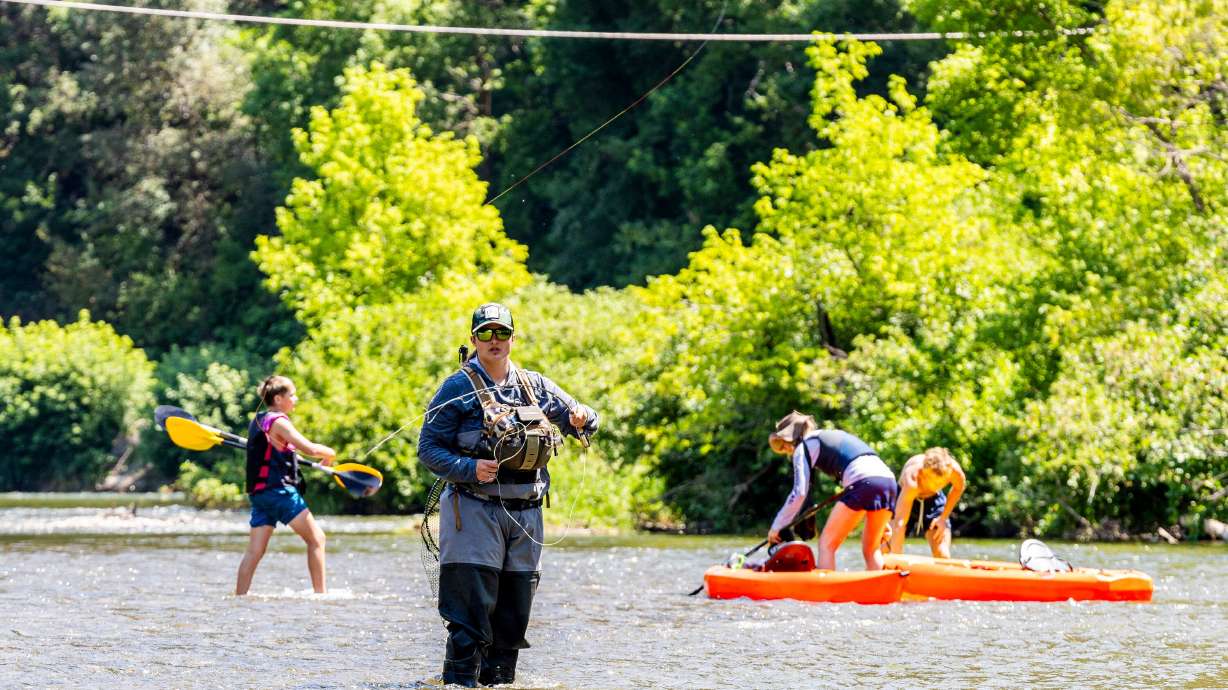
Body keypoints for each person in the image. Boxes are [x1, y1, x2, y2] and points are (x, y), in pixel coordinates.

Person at [418, 302, 598, 687]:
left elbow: (582, 420)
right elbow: (428, 449)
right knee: (469, 616)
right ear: (473, 340)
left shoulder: (537, 386)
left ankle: (499, 682)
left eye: (502, 333)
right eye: (486, 333)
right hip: (472, 509)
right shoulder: (456, 388)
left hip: (528, 514)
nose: (494, 340)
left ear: (513, 338)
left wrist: (585, 416)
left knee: (513, 617)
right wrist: (470, 469)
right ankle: (459, 682)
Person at [235, 375, 336, 596]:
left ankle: (239, 597)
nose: (295, 399)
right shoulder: (279, 422)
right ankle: (321, 595)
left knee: (254, 551)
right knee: (317, 539)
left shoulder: (259, 420)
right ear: (279, 398)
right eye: (292, 395)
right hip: (278, 492)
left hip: (259, 494)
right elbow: (309, 448)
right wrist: (330, 453)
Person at [766, 411, 897, 571]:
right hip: (888, 482)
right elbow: (867, 473)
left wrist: (777, 526)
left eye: (783, 444)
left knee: (826, 544)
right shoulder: (830, 435)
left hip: (863, 483)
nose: (786, 449)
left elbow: (799, 492)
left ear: (790, 437)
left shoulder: (803, 447)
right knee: (871, 549)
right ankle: (882, 592)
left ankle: (824, 596)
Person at [889, 447, 965, 558]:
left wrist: (943, 518)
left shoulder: (954, 471)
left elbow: (958, 488)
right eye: (932, 481)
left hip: (934, 501)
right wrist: (897, 559)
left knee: (942, 554)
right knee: (887, 548)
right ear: (924, 471)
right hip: (907, 498)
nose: (935, 485)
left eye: (941, 482)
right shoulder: (912, 479)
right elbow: (899, 522)